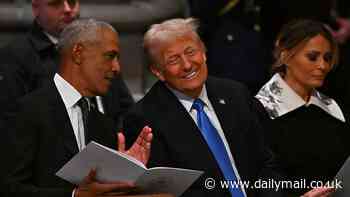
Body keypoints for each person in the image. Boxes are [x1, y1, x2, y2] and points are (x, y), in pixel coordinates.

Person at [121, 17, 284, 197]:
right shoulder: (144, 119)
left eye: (191, 52)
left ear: (204, 53)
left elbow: (265, 163)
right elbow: (165, 191)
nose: (187, 65)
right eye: (174, 60)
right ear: (158, 71)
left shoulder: (235, 94)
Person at [2, 19, 153, 197]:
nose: (116, 68)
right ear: (78, 53)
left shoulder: (104, 124)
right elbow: (9, 189)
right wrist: (74, 196)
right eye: (110, 56)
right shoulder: (25, 112)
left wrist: (126, 173)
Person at [0, 0, 134, 130]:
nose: (67, 9)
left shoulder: (99, 46)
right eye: (56, 3)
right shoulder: (16, 56)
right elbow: (12, 121)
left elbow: (126, 110)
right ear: (36, 9)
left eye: (71, 2)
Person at [254, 19, 350, 196]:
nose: (322, 66)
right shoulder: (257, 111)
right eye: (312, 57)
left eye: (327, 58)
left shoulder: (334, 110)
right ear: (285, 56)